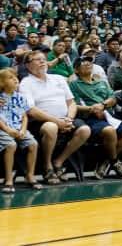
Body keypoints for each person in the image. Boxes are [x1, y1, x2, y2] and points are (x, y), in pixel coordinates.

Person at [19, 51, 91, 184]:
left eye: (43, 59)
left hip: (64, 118)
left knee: (85, 130)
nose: (42, 61)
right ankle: (47, 166)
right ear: (28, 65)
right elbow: (31, 110)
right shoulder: (26, 83)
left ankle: (59, 161)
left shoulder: (58, 78)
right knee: (51, 127)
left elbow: (71, 103)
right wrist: (57, 122)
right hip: (40, 122)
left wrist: (69, 118)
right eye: (37, 59)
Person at [69, 56, 122, 179]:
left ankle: (106, 161)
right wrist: (92, 109)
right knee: (109, 131)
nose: (87, 64)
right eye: (83, 62)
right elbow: (75, 105)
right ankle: (115, 161)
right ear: (76, 70)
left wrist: (103, 105)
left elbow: (113, 99)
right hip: (90, 118)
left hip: (109, 115)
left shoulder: (102, 82)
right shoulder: (74, 85)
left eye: (89, 62)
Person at [0, 69, 41, 192]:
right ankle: (8, 179)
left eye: (16, 77)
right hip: (3, 128)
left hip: (18, 128)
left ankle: (30, 176)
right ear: (1, 83)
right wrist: (7, 129)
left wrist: (23, 130)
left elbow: (24, 116)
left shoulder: (20, 97)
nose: (15, 79)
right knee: (11, 145)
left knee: (33, 144)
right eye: (10, 77)